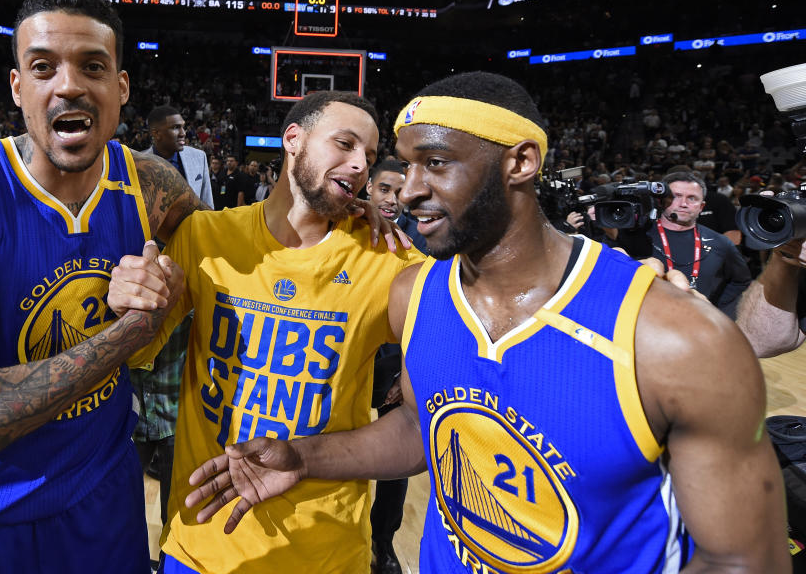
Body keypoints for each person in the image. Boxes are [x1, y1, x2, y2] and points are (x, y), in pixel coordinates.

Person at [182, 72, 789, 573]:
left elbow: (742, 560)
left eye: (435, 164)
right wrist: (304, 457)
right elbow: (425, 432)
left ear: (520, 163)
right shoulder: (414, 295)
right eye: (404, 167)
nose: (407, 190)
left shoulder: (671, 334)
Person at [0, 0, 203, 574]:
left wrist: (336, 205)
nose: (69, 85)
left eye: (92, 66)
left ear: (121, 87)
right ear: (17, 87)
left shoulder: (151, 188)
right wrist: (127, 335)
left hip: (104, 504)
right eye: (42, 66)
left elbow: (249, 247)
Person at [107, 90, 422, 574]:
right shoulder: (204, 236)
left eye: (370, 157)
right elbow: (135, 352)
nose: (360, 165)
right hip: (202, 545)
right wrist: (130, 302)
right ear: (293, 139)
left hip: (327, 553)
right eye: (345, 144)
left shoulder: (393, 261)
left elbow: (424, 428)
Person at [133, 104, 214, 526]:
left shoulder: (195, 169)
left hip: (177, 401)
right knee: (121, 505)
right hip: (130, 401)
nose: (184, 133)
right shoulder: (136, 174)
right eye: (176, 127)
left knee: (181, 507)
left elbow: (212, 221)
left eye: (186, 126)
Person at [363, 158, 429, 573]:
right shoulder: (339, 231)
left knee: (394, 466)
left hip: (390, 366)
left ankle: (383, 543)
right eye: (384, 189)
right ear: (368, 187)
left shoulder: (415, 246)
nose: (391, 199)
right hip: (343, 364)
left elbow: (421, 321)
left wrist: (407, 373)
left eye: (398, 192)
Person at [645, 171, 750, 318]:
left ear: (701, 207)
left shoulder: (720, 243)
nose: (683, 204)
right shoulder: (640, 238)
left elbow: (741, 281)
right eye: (675, 196)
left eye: (692, 198)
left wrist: (719, 312)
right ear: (661, 201)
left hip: (701, 327)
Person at [143, 105, 213, 209]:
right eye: (175, 127)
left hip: (193, 224)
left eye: (183, 127)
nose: (183, 133)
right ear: (156, 133)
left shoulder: (199, 157)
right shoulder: (139, 162)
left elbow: (207, 203)